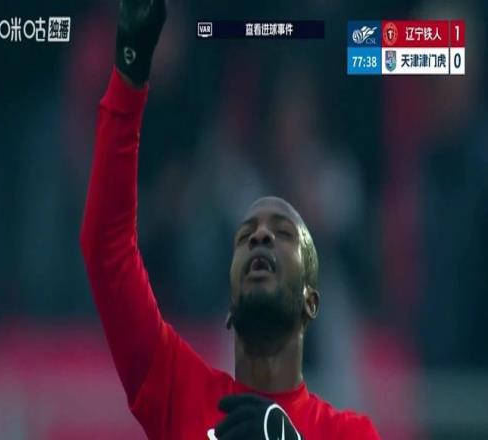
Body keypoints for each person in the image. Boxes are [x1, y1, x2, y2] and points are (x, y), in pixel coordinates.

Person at [80, 0, 381, 438]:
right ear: (229, 305)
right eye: (246, 236)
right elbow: (107, 249)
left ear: (311, 302)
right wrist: (129, 74)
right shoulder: (177, 389)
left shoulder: (350, 433)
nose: (260, 236)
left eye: (282, 234)